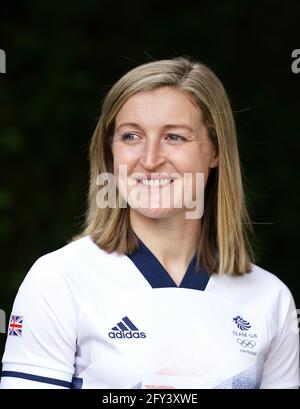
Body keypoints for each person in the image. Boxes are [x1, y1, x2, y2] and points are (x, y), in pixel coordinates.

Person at [1, 57, 299, 389]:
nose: (150, 159)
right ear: (110, 150)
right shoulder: (59, 280)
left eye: (174, 137)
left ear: (215, 151)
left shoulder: (270, 299)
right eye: (131, 136)